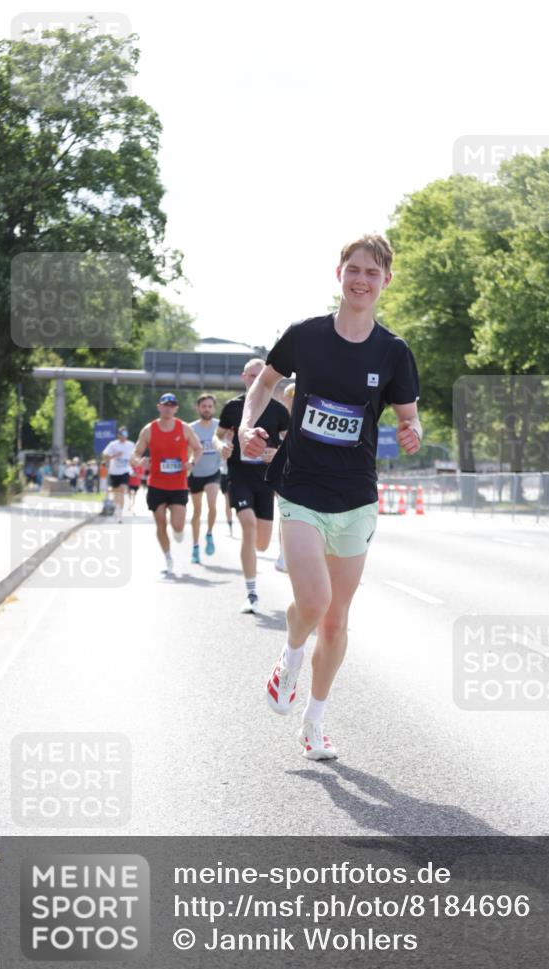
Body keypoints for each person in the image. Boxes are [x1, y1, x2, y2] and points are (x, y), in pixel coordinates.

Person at [238, 234, 421, 760]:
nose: (361, 280)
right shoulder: (305, 336)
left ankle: (314, 722)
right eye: (354, 270)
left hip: (356, 496)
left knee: (337, 618)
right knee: (314, 601)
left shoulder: (393, 352)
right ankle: (290, 656)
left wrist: (413, 432)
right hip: (300, 486)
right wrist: (250, 425)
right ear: (338, 273)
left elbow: (409, 417)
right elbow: (264, 384)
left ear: (386, 281)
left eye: (372, 272)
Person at [214, 359, 290, 613]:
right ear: (244, 377)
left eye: (260, 376)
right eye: (251, 376)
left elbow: (292, 444)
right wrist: (222, 446)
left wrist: (277, 453)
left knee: (262, 544)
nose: (255, 380)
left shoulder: (279, 411)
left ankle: (258, 566)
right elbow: (218, 435)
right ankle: (251, 593)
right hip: (240, 475)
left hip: (266, 480)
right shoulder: (233, 407)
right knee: (247, 525)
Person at [131, 392, 203, 574]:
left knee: (177, 526)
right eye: (166, 404)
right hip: (156, 484)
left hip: (178, 484)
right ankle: (168, 558)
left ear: (176, 408)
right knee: (160, 523)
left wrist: (192, 462)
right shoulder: (149, 429)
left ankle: (178, 533)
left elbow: (198, 448)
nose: (169, 408)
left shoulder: (184, 428)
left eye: (172, 405)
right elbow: (135, 453)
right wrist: (139, 462)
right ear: (159, 407)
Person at [188, 393, 222, 562]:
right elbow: (186, 451)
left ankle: (209, 533)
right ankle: (195, 547)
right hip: (195, 474)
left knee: (212, 504)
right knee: (197, 511)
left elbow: (227, 443)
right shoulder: (191, 428)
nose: (207, 409)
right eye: (204, 406)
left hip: (213, 472)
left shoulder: (219, 426)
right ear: (198, 408)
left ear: (214, 408)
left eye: (210, 406)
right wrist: (189, 462)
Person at [273, 380, 295, 573]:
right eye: (291, 398)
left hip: (308, 474)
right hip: (283, 474)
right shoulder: (280, 419)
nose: (294, 402)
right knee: (286, 513)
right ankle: (283, 552)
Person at [102, 427, 134, 523]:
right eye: (122, 434)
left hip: (125, 471)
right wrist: (115, 456)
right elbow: (104, 456)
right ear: (119, 435)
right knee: (117, 493)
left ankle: (120, 513)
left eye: (126, 434)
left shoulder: (131, 445)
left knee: (122, 490)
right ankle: (117, 509)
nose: (124, 437)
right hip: (114, 472)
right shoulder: (113, 445)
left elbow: (136, 455)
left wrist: (136, 462)